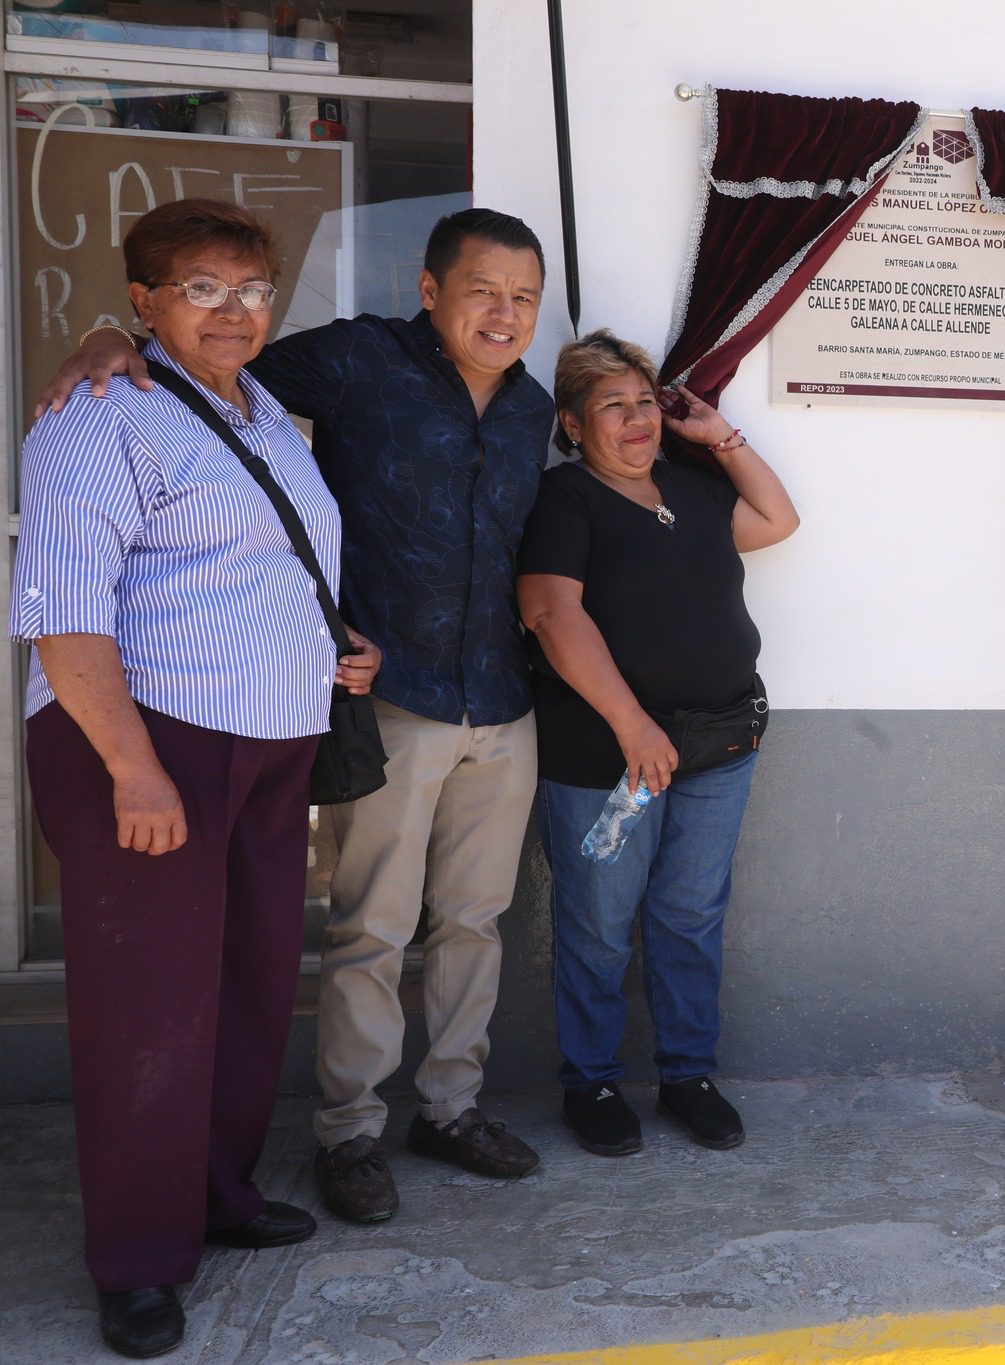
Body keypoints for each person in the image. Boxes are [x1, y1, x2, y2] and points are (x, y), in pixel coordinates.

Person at [43, 208, 559, 1224]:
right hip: (385, 702)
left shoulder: (534, 409)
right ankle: (350, 1130)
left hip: (496, 695)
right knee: (369, 925)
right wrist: (108, 342)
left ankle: (449, 1108)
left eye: (522, 299)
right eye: (481, 291)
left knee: (473, 921)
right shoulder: (357, 363)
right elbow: (210, 357)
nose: (502, 315)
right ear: (428, 290)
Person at [10, 199, 381, 1358]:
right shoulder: (96, 416)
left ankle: (214, 1195)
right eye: (203, 288)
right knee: (146, 1013)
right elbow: (67, 624)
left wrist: (337, 646)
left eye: (253, 289)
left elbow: (261, 567)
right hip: (148, 747)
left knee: (249, 987)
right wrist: (133, 771)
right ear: (144, 303)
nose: (235, 311)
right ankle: (136, 1260)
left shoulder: (267, 416)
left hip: (270, 745)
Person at [518, 331, 798, 1156]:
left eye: (645, 402)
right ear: (573, 424)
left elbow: (778, 519)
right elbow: (550, 614)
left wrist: (719, 437)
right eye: (613, 406)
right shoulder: (565, 499)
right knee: (600, 920)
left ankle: (687, 1074)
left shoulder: (693, 488)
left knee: (689, 914)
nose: (636, 420)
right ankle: (593, 1081)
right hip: (609, 761)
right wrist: (632, 724)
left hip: (716, 750)